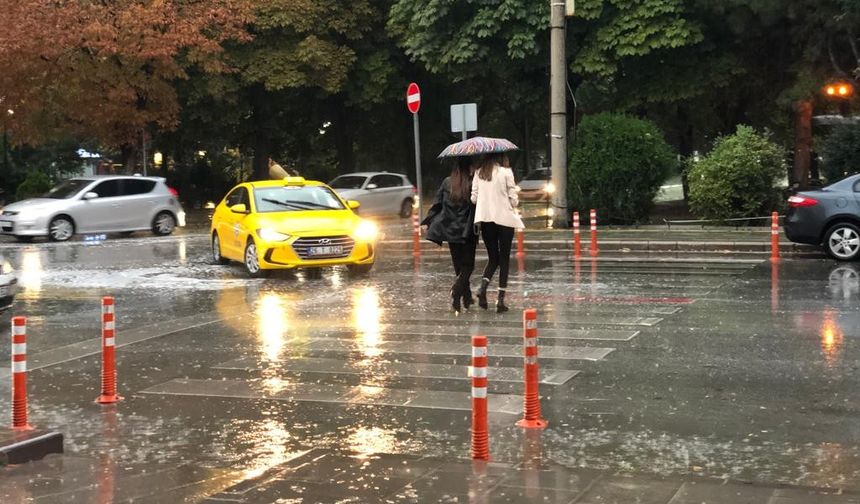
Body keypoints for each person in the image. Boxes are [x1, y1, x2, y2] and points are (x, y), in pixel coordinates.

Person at [422, 156, 478, 313]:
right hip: (467, 231)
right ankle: (456, 291)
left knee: (459, 266)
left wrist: (428, 221)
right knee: (468, 266)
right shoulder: (472, 183)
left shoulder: (447, 182)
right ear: (468, 167)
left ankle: (464, 299)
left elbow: (437, 204)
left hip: (450, 230)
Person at [471, 152, 523, 313]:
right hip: (504, 220)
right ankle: (500, 301)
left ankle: (483, 288)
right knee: (504, 259)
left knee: (493, 258)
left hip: (486, 220)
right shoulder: (506, 172)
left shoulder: (479, 173)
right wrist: (509, 200)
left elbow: (474, 198)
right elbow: (514, 200)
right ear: (499, 157)